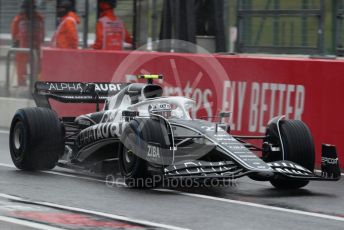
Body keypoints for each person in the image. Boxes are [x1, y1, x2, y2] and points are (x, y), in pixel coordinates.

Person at [11, 0, 44, 86]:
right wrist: (16, 42)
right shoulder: (18, 19)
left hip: (35, 46)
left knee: (37, 68)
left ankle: (36, 84)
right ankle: (22, 84)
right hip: (23, 48)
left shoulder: (39, 18)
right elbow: (14, 34)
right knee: (22, 68)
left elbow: (42, 32)